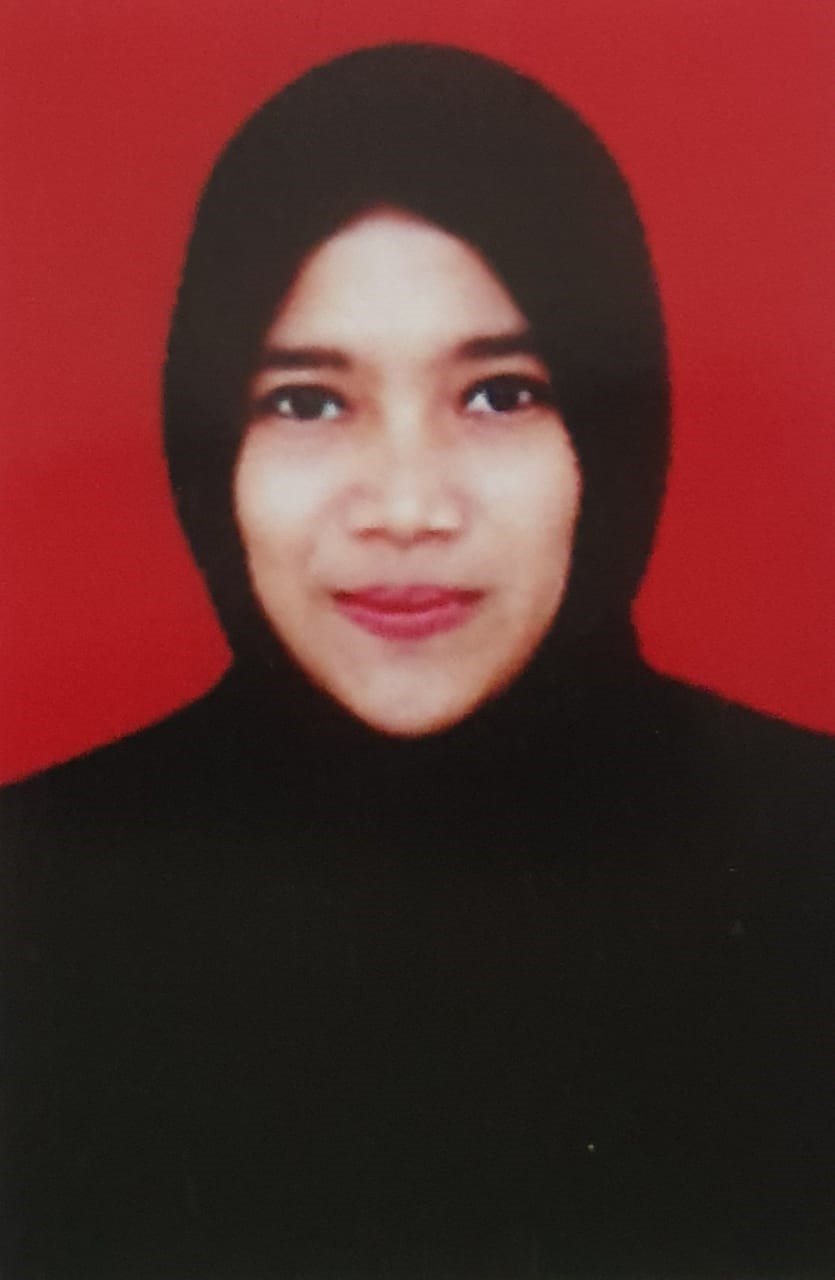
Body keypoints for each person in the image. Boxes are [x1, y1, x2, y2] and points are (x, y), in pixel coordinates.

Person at [3, 42, 833, 1280]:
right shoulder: (34, 892)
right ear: (208, 443)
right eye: (305, 400)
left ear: (613, 438)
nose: (405, 506)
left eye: (501, 393)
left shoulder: (809, 864)